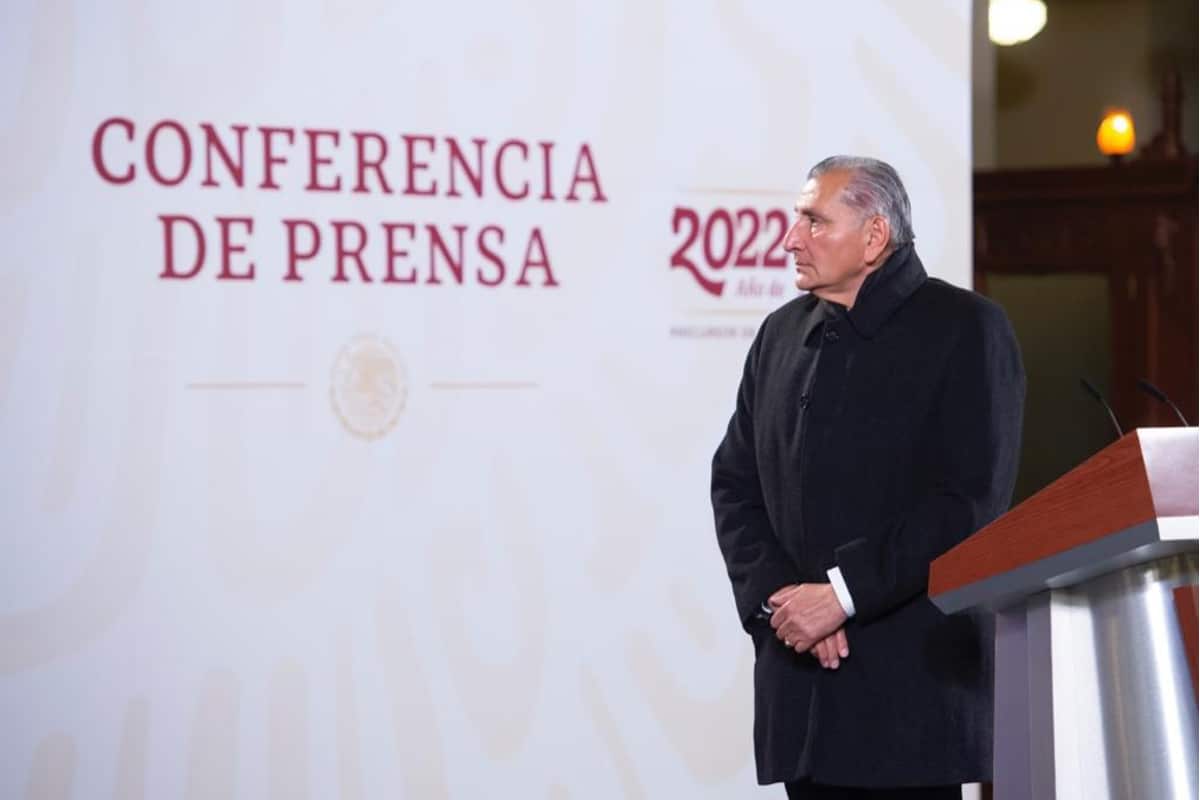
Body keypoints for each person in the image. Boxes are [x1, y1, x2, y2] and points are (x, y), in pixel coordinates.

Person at [711, 156, 1024, 799]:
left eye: (813, 221)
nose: (790, 239)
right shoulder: (779, 335)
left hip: (908, 706)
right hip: (800, 698)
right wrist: (785, 602)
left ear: (874, 236)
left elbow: (966, 503)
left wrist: (842, 594)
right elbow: (734, 485)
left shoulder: (966, 329)